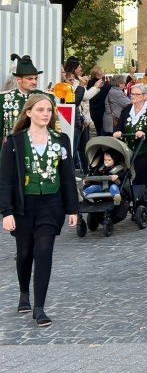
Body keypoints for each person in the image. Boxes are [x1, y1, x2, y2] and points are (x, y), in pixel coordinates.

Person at [0, 94, 79, 327]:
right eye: (41, 110)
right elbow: (5, 180)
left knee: (43, 252)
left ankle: (39, 308)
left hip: (50, 206)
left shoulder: (61, 140)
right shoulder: (14, 142)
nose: (46, 114)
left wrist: (72, 208)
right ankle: (24, 293)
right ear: (29, 113)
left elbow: (67, 176)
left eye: (49, 110)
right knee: (25, 253)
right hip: (24, 206)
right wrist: (6, 212)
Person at [113, 83, 147, 196]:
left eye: (137, 94)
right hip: (128, 149)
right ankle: (128, 197)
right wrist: (117, 131)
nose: (133, 96)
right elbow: (119, 125)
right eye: (132, 94)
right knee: (126, 174)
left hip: (146, 149)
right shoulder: (127, 109)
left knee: (142, 175)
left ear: (145, 96)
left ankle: (142, 199)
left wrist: (144, 133)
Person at [1, 54, 55, 145]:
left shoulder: (46, 97)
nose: (34, 82)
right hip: (13, 148)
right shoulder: (4, 98)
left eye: (35, 78)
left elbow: (53, 127)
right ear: (18, 79)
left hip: (39, 146)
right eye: (29, 79)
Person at [87, 66, 110, 137]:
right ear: (98, 75)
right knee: (102, 130)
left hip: (93, 109)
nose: (104, 74)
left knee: (98, 129)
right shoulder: (104, 85)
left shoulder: (89, 83)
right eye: (103, 73)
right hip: (102, 110)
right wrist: (108, 83)